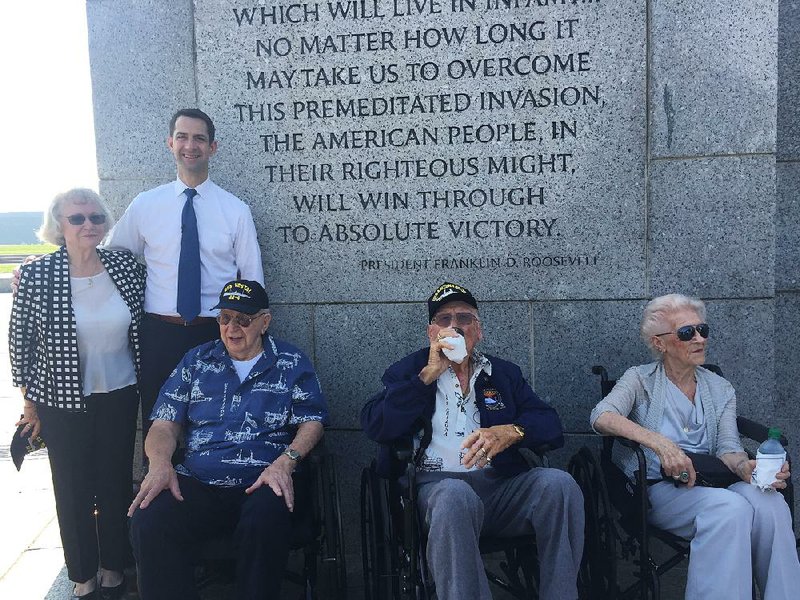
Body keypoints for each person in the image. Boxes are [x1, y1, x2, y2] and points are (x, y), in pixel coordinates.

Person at [361, 282, 584, 600]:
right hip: (434, 492)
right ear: (431, 332)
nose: (455, 325)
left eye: (464, 317)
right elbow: (377, 425)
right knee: (455, 495)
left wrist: (513, 431)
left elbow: (549, 423)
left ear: (478, 330)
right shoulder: (408, 372)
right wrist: (428, 375)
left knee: (559, 485)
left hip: (501, 488)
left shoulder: (503, 373)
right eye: (444, 318)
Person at [590, 293, 800, 600]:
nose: (699, 338)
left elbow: (729, 446)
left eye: (703, 330)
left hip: (713, 481)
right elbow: (601, 417)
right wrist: (661, 444)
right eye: (687, 332)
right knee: (731, 509)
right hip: (659, 488)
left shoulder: (719, 387)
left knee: (771, 504)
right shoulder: (639, 379)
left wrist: (745, 468)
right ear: (659, 343)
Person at [128, 279, 328, 600]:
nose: (232, 327)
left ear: (265, 322)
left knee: (265, 517)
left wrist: (285, 463)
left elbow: (312, 421)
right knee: (149, 519)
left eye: (243, 319)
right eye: (224, 318)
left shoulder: (290, 362)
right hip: (199, 483)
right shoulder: (196, 361)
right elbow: (164, 424)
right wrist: (160, 463)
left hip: (262, 481)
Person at [9, 189, 145, 600]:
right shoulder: (38, 274)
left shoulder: (124, 267)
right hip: (61, 400)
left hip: (120, 393)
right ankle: (83, 574)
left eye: (96, 217)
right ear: (59, 226)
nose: (89, 225)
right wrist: (29, 403)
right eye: (77, 218)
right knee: (71, 488)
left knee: (114, 483)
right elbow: (21, 343)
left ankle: (113, 569)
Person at [105, 108, 264, 436]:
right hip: (159, 335)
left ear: (212, 147)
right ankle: (158, 486)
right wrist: (48, 267)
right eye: (182, 137)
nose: (190, 145)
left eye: (199, 138)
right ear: (170, 142)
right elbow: (108, 256)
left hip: (215, 334)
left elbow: (252, 283)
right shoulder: (146, 205)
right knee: (159, 426)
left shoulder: (235, 211)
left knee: (214, 427)